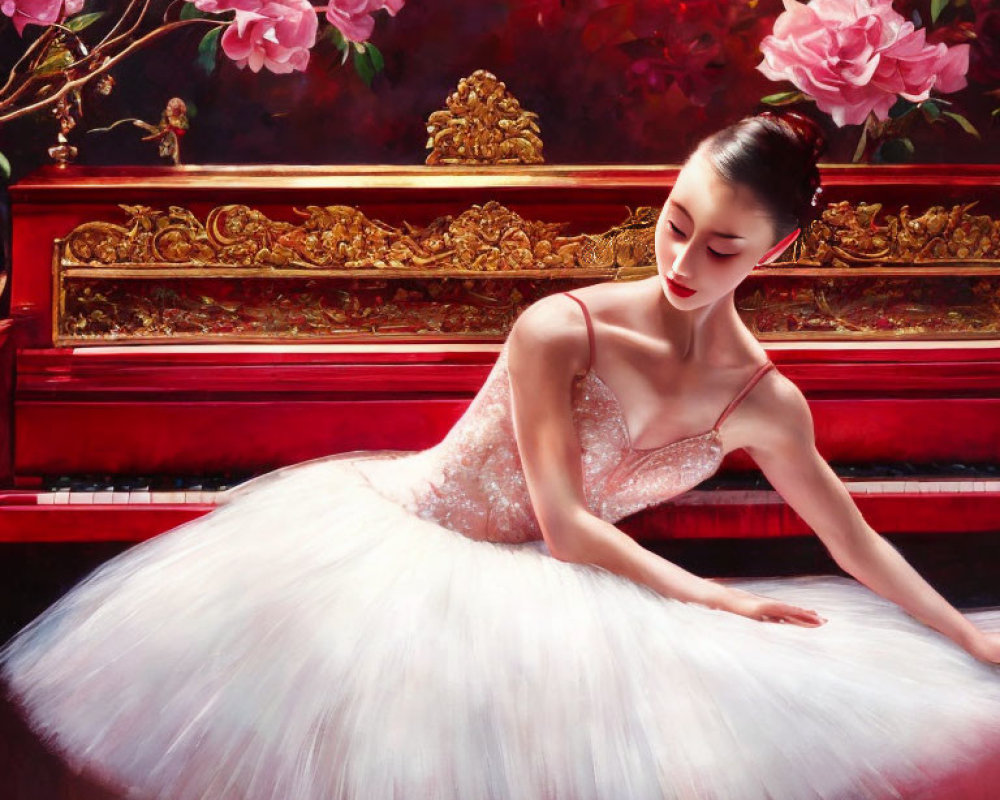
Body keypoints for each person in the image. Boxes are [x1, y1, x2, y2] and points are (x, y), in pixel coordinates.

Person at [2, 112, 1000, 800]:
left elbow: (853, 537)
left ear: (775, 252)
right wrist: (718, 599)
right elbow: (565, 525)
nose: (682, 263)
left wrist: (964, 636)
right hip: (395, 559)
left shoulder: (764, 402)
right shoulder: (557, 328)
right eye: (674, 224)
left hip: (554, 600)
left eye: (721, 249)